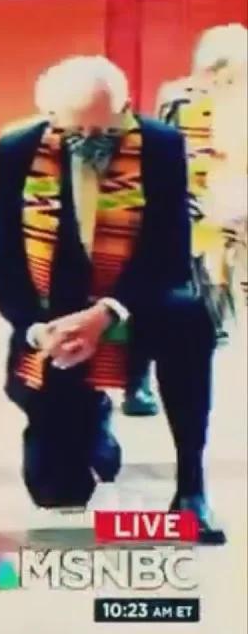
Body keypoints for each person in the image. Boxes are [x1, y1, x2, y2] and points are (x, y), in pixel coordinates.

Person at [0, 56, 224, 544]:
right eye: (77, 131)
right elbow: (0, 260)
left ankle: (191, 485)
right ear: (51, 116)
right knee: (57, 490)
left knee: (190, 318)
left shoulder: (160, 145)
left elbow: (170, 253)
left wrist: (107, 313)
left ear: (126, 109)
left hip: (135, 304)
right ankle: (91, 417)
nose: (92, 141)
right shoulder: (16, 151)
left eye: (106, 129)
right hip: (57, 320)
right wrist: (40, 331)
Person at [123, 24, 248, 416]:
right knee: (162, 299)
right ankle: (138, 380)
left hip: (230, 214)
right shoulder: (181, 98)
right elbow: (172, 160)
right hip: (185, 213)